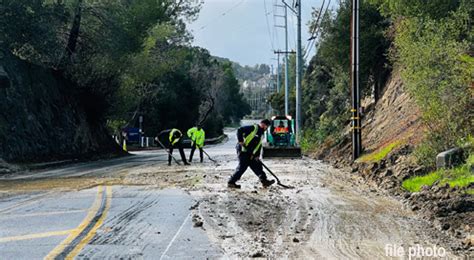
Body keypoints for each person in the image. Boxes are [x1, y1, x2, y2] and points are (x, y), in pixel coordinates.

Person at [228, 119, 275, 189]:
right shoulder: (253, 128)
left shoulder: (261, 133)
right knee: (242, 167)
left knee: (257, 166)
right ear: (262, 124)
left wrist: (257, 155)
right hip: (243, 151)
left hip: (251, 153)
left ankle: (264, 181)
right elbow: (239, 130)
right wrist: (240, 141)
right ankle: (231, 182)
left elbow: (259, 145)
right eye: (266, 126)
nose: (266, 128)